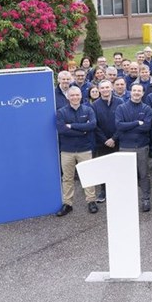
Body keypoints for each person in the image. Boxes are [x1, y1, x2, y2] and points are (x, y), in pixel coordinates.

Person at [56, 87, 98, 216]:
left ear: (81, 96)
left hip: (84, 149)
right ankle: (67, 203)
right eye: (72, 95)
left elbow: (92, 125)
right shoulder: (61, 112)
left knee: (88, 175)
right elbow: (62, 130)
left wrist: (72, 126)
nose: (75, 97)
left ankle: (91, 201)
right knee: (67, 178)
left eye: (77, 95)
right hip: (67, 150)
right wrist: (82, 131)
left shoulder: (88, 110)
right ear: (68, 97)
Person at [115, 84, 152, 211]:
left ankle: (146, 199)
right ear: (130, 92)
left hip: (142, 146)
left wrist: (128, 126)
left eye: (139, 91)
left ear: (143, 93)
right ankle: (127, 199)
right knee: (126, 175)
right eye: (134, 90)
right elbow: (119, 126)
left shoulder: (147, 109)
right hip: (125, 146)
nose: (136, 93)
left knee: (144, 174)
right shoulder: (121, 108)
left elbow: (146, 127)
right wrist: (137, 123)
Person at [91, 80, 122, 203]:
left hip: (118, 141)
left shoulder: (120, 102)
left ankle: (118, 189)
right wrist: (105, 140)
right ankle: (104, 190)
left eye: (107, 87)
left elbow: (123, 122)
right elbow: (95, 125)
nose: (105, 90)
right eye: (102, 88)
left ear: (111, 88)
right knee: (104, 167)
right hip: (102, 142)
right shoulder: (94, 105)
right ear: (99, 90)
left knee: (118, 167)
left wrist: (114, 138)